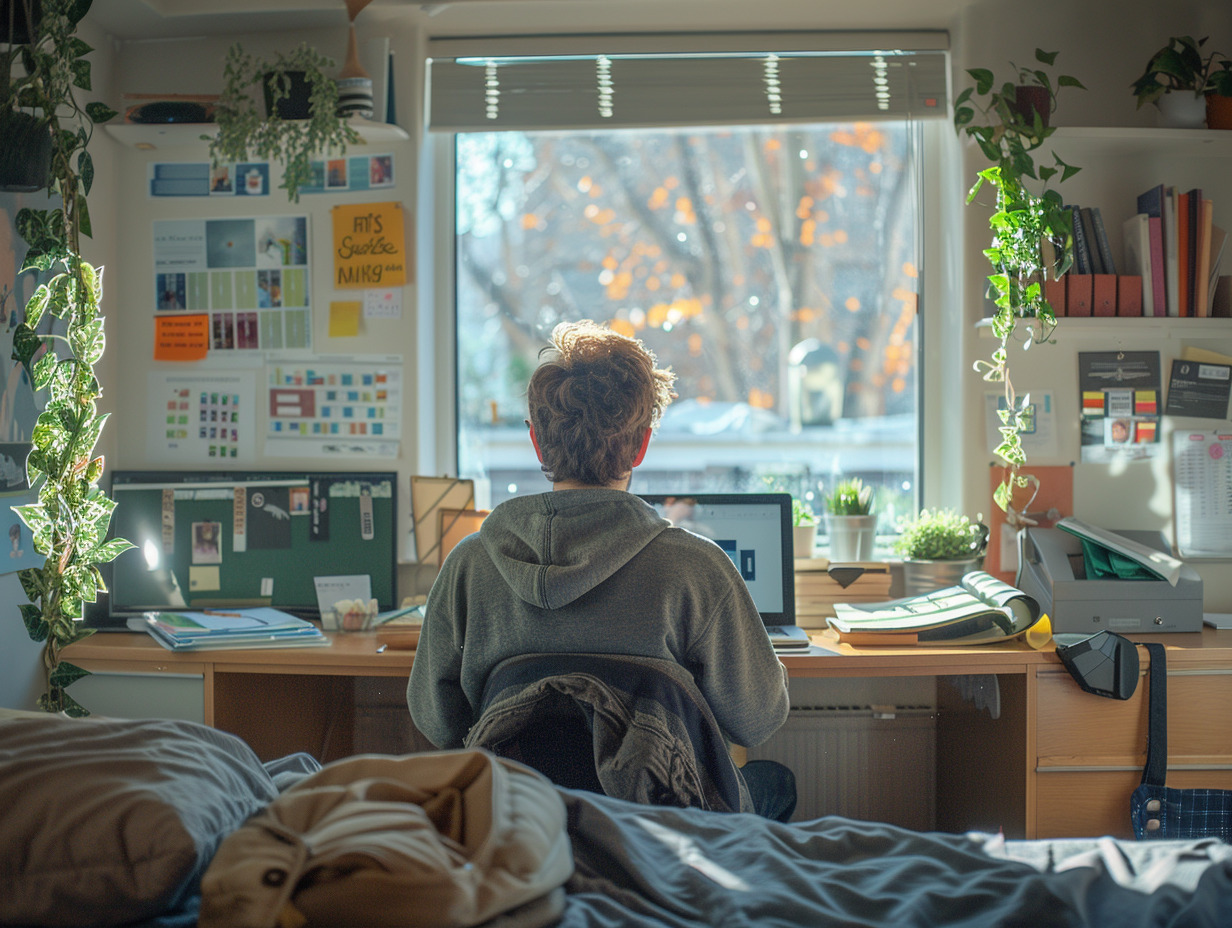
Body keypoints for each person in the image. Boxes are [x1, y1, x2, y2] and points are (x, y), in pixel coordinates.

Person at [407, 319, 796, 821]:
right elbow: (758, 719)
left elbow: (436, 720)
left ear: (537, 443)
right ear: (641, 445)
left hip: (520, 827)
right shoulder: (697, 569)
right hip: (662, 831)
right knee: (774, 783)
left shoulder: (468, 565)